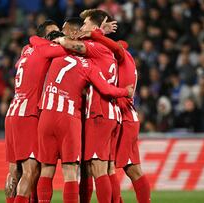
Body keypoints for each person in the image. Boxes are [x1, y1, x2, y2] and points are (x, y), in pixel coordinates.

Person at [37, 31, 133, 203]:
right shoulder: (87, 65)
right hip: (68, 118)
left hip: (46, 115)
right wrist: (126, 91)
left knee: (46, 169)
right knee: (71, 172)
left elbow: (35, 42)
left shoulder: (55, 56)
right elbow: (106, 89)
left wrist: (58, 40)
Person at [54, 10, 124, 203]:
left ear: (93, 28)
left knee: (97, 167)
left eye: (84, 24)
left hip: (99, 112)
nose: (82, 28)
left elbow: (69, 44)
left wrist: (58, 39)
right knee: (105, 167)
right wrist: (101, 31)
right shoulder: (107, 49)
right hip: (109, 113)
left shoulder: (94, 47)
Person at [4, 20, 68, 203]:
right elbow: (72, 49)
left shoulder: (27, 50)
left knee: (14, 171)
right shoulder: (45, 49)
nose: (57, 37)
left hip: (13, 111)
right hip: (28, 114)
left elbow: (19, 65)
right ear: (44, 38)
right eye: (53, 34)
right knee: (31, 171)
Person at [86, 28, 152, 203]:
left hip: (125, 116)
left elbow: (118, 47)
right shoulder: (120, 58)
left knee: (132, 169)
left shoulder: (123, 56)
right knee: (109, 167)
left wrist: (94, 35)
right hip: (122, 115)